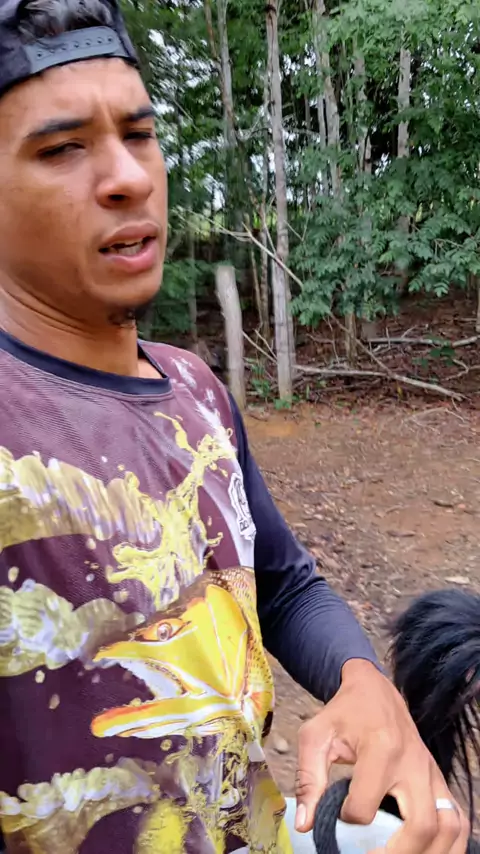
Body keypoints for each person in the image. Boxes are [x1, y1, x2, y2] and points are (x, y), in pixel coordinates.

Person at [0, 1, 469, 852]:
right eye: (61, 148)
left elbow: (283, 584)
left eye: (139, 135)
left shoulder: (193, 389)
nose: (128, 177)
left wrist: (364, 682)